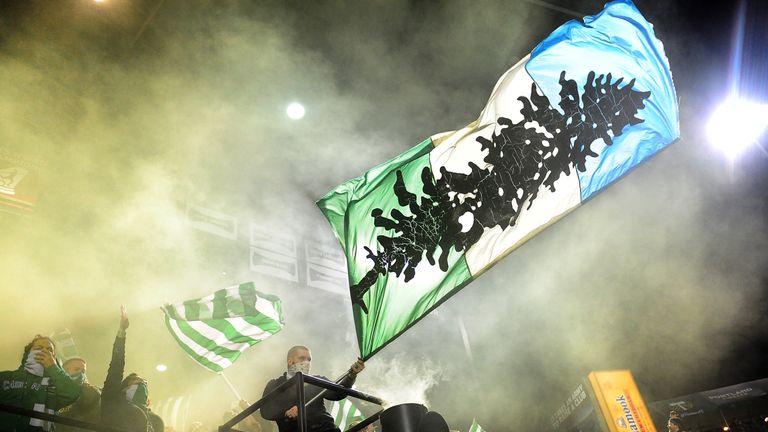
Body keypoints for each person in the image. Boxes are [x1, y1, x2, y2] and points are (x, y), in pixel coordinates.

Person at [260, 346, 365, 432]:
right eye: (302, 358)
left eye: (309, 359)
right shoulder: (275, 384)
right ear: (290, 361)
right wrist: (286, 412)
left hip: (327, 429)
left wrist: (351, 376)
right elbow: (265, 411)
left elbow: (338, 393)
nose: (306, 362)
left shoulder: (317, 380)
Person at [101, 306, 164, 432]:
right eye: (134, 381)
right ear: (123, 390)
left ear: (148, 400)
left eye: (143, 382)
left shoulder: (156, 421)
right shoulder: (112, 405)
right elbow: (116, 367)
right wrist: (121, 332)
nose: (140, 382)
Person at [0, 335, 81, 432]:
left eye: (49, 350)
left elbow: (73, 393)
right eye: (39, 348)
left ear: (54, 358)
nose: (44, 352)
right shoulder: (5, 377)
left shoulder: (54, 387)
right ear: (28, 354)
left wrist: (52, 367)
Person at [57, 357, 102, 432]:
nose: (81, 373)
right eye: (76, 369)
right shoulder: (52, 392)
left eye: (83, 371)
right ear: (64, 371)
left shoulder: (92, 392)